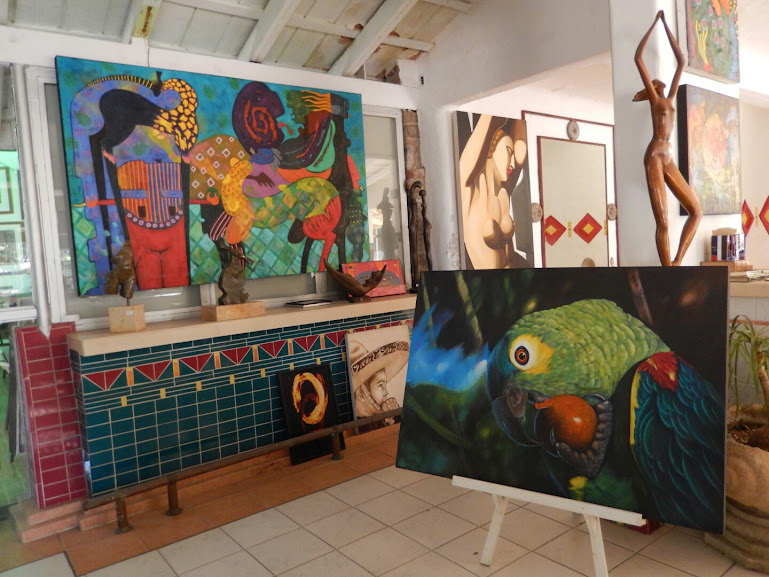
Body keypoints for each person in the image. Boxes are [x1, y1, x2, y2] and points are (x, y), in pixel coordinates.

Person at [634, 10, 703, 267]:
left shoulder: (671, 98)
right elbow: (638, 58)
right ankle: (667, 270)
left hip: (668, 156)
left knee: (696, 211)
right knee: (662, 220)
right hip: (654, 155)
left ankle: (676, 262)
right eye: (657, 84)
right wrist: (654, 23)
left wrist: (665, 23)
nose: (662, 85)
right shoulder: (655, 101)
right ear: (653, 88)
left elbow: (681, 61)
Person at [458, 115, 528, 269]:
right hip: (484, 281)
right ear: (491, 149)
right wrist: (490, 119)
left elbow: (520, 152)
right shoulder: (469, 189)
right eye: (508, 151)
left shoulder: (502, 192)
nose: (512, 162)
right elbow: (481, 134)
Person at [348, 339, 409, 426]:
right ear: (361, 394)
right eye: (380, 385)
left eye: (384, 385)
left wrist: (395, 415)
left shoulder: (381, 420)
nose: (386, 392)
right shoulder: (363, 428)